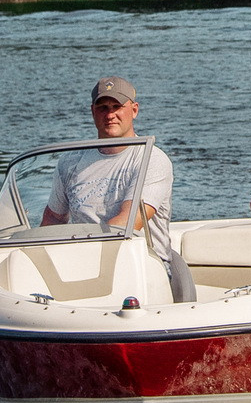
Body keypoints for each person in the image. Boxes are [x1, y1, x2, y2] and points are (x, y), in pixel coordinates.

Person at [41, 76, 177, 267]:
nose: (110, 114)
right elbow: (54, 218)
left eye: (117, 107)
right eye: (102, 108)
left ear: (134, 110)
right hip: (84, 262)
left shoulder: (152, 159)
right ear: (92, 111)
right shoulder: (70, 162)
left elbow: (127, 223)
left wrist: (79, 255)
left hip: (143, 266)